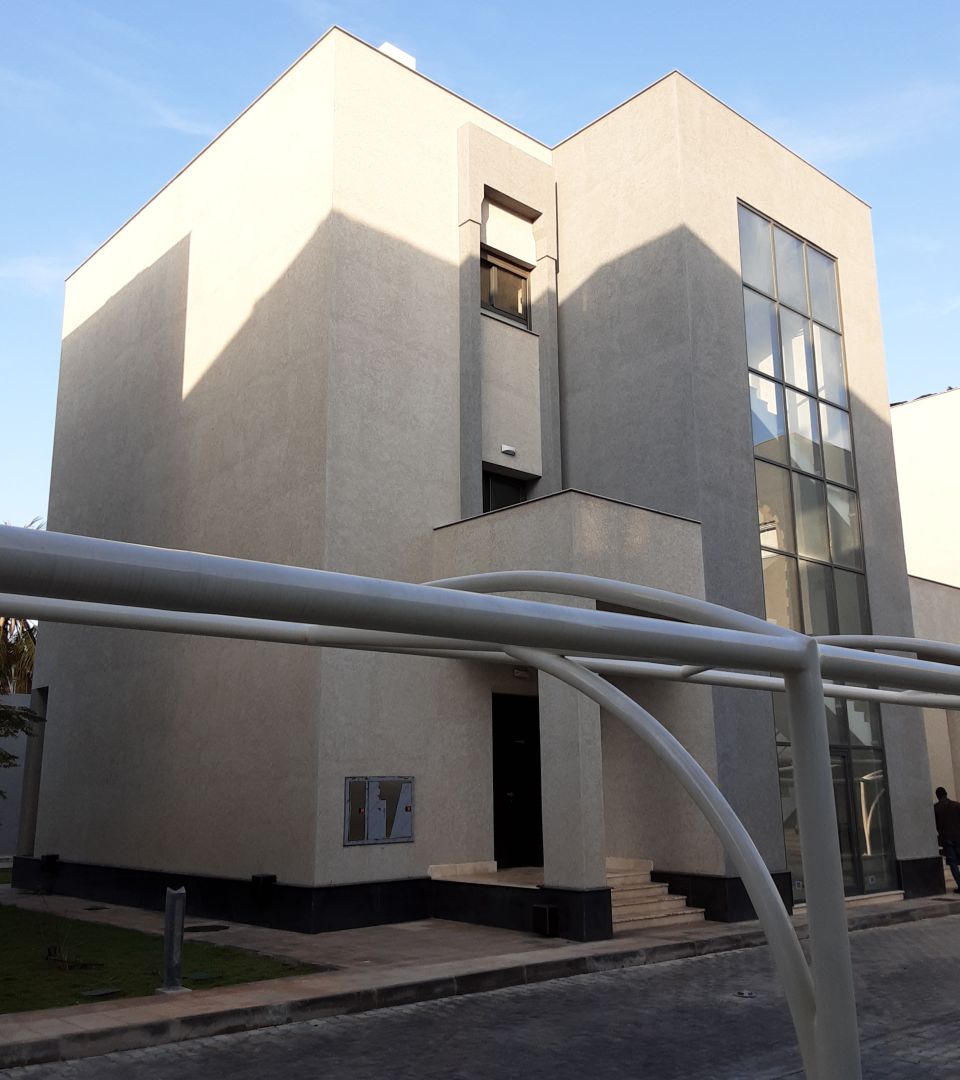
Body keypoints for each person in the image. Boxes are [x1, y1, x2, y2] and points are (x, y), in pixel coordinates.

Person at [934, 787, 960, 893]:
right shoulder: (956, 805)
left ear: (937, 796)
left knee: (953, 862)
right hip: (959, 836)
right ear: (946, 794)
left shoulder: (936, 808)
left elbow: (935, 824)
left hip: (946, 838)